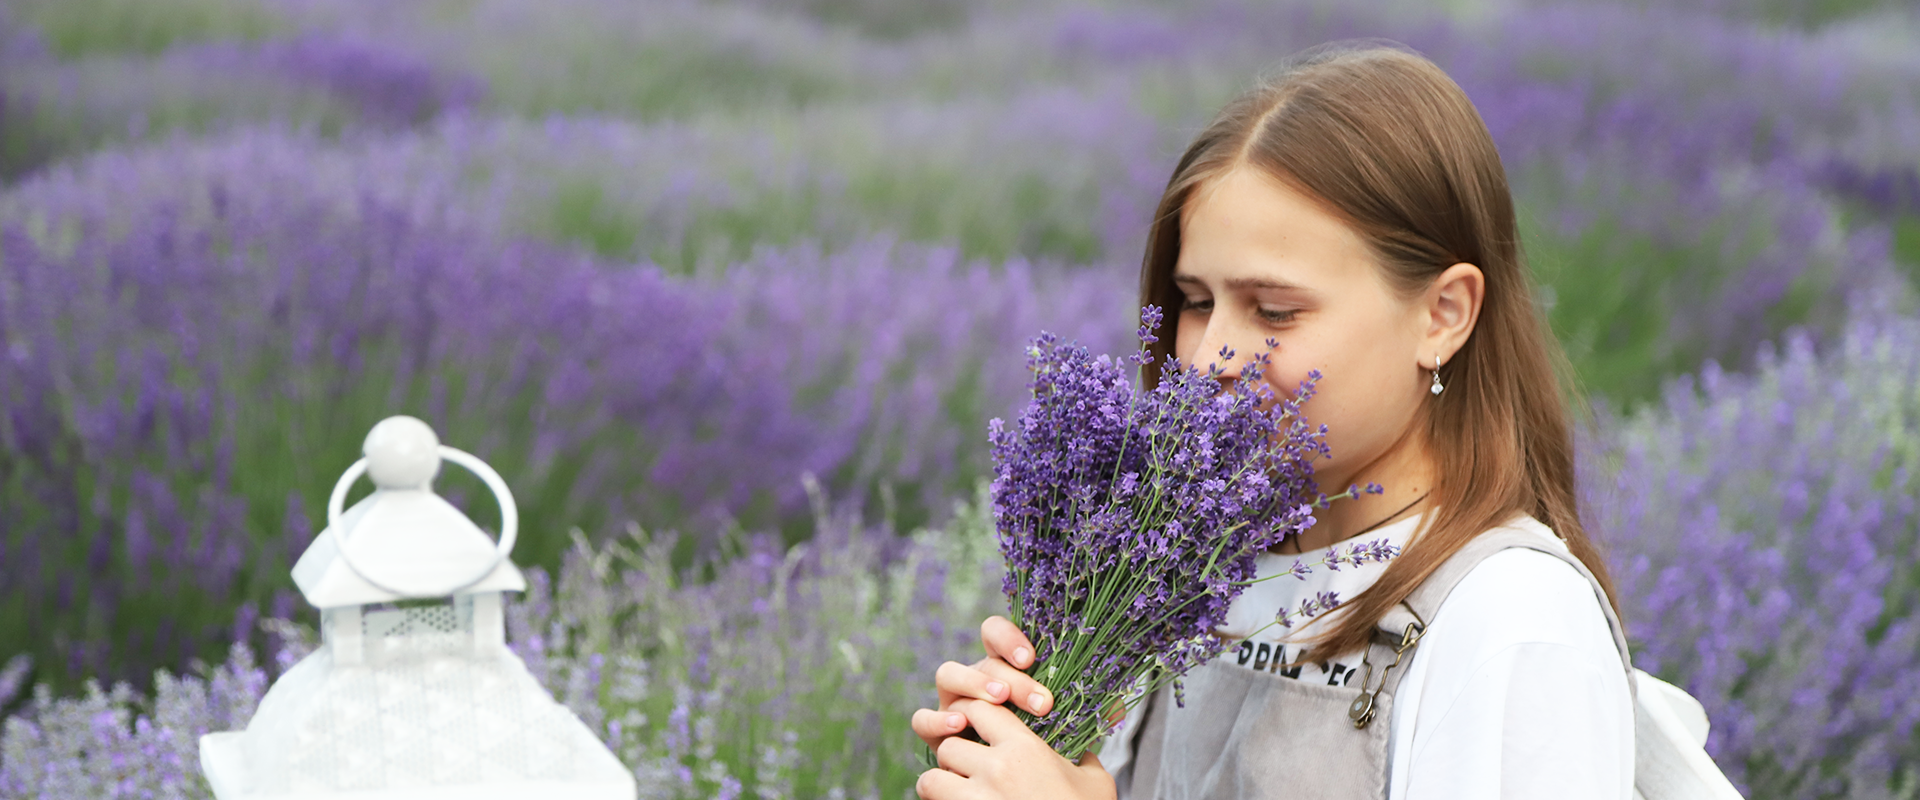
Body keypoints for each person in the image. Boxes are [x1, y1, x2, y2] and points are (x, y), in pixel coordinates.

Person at [908, 43, 1636, 800]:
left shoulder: (1511, 624)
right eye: (1194, 301)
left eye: (1275, 310)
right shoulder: (1193, 577)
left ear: (1442, 315)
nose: (1211, 354)